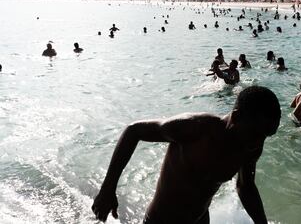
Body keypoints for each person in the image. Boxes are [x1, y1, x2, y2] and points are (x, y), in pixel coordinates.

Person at [92, 86, 281, 223]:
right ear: (237, 116)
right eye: (255, 133)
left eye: (266, 136)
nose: (258, 142)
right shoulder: (196, 128)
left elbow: (245, 186)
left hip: (200, 220)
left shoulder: (251, 147)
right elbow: (134, 131)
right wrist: (108, 189)